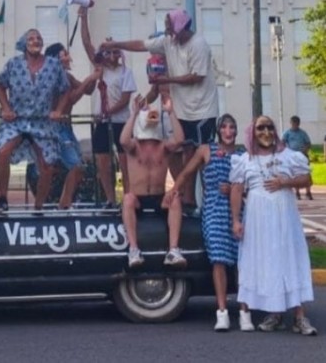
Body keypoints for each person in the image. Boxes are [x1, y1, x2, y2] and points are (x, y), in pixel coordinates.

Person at [101, 8, 218, 206]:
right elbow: (141, 45)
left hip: (202, 110)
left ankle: (210, 202)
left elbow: (197, 76)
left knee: (204, 156)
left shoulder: (198, 45)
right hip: (181, 110)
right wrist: (116, 44)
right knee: (185, 152)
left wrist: (168, 80)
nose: (167, 31)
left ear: (181, 27)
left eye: (170, 27)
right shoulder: (167, 42)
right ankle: (188, 199)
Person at [230, 115, 317, 335]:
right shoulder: (245, 160)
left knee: (290, 260)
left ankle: (299, 317)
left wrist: (284, 182)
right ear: (253, 132)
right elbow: (237, 189)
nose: (266, 132)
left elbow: (307, 179)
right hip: (258, 222)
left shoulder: (288, 156)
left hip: (284, 219)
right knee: (266, 262)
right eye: (261, 128)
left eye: (270, 127)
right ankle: (275, 314)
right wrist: (236, 220)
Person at [172, 113, 242, 331]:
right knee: (218, 259)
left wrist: (237, 189)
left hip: (238, 211)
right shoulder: (206, 150)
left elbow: (252, 183)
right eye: (224, 127)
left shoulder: (242, 154)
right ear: (218, 130)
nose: (228, 131)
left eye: (232, 127)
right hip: (213, 209)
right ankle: (222, 311)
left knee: (242, 261)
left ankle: (244, 310)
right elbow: (187, 172)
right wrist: (173, 191)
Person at [0, 29, 70, 212]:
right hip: (17, 120)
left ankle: (39, 206)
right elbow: (0, 88)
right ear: (24, 44)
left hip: (42, 121)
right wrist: (6, 108)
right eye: (31, 38)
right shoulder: (13, 64)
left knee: (47, 165)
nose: (36, 41)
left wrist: (58, 110)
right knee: (3, 151)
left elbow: (65, 89)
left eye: (39, 38)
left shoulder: (54, 65)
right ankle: (2, 198)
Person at [32, 43, 103, 209]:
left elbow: (88, 90)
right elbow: (71, 99)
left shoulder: (67, 76)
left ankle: (63, 203)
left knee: (77, 168)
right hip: (56, 129)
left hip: (66, 128)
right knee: (72, 166)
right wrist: (90, 78)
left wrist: (95, 74)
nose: (68, 57)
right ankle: (51, 205)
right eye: (64, 54)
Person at [77, 6, 137, 204]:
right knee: (103, 162)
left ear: (119, 54)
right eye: (108, 52)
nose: (111, 56)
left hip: (121, 122)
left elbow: (125, 100)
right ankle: (110, 199)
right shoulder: (100, 68)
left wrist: (108, 111)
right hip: (102, 122)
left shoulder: (125, 72)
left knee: (125, 162)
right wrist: (83, 18)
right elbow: (87, 44)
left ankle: (128, 199)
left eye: (114, 52)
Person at [120, 94, 186, 269]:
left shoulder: (163, 146)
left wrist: (170, 112)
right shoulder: (134, 146)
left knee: (175, 198)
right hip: (138, 198)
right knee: (127, 199)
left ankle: (173, 250)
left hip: (159, 197)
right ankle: (133, 249)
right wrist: (134, 113)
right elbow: (123, 140)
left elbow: (180, 139)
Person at [282, 115, 313, 200]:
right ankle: (297, 192)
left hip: (302, 155)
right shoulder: (287, 133)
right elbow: (282, 142)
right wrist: (286, 151)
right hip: (292, 156)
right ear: (291, 123)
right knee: (295, 174)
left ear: (299, 124)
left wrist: (305, 150)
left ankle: (308, 192)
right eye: (293, 123)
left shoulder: (303, 133)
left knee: (306, 173)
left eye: (296, 123)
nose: (295, 125)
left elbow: (308, 143)